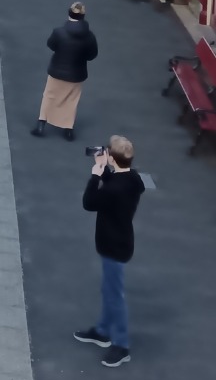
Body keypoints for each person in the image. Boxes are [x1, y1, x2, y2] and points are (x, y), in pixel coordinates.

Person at [74, 136, 145, 368]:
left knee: (115, 296)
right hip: (122, 242)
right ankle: (103, 331)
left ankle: (122, 345)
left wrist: (96, 173)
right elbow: (117, 183)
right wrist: (106, 170)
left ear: (113, 158)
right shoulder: (133, 179)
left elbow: (89, 201)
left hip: (112, 246)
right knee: (108, 290)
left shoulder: (113, 190)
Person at [31, 1, 98, 141]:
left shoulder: (59, 32)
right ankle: (68, 129)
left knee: (49, 95)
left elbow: (51, 44)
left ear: (69, 13)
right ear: (83, 17)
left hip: (57, 71)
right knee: (71, 100)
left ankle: (41, 124)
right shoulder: (89, 36)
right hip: (76, 74)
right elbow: (92, 55)